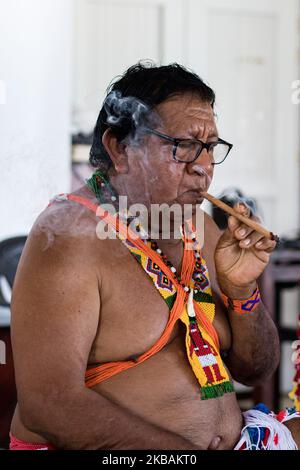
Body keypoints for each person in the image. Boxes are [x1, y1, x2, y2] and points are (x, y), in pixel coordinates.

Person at [10, 63, 300, 450]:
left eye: (211, 147)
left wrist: (242, 291)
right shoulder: (69, 235)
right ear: (121, 148)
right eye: (183, 146)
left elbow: (256, 369)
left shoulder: (199, 225)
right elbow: (49, 406)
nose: (204, 167)